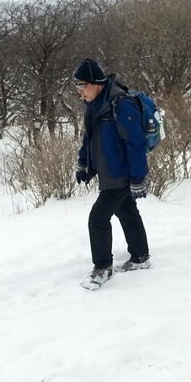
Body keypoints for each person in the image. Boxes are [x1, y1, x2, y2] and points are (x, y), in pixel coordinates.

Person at [73, 58, 151, 289]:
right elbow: (89, 139)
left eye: (82, 86)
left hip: (120, 174)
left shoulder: (121, 104)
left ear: (96, 83)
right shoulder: (95, 106)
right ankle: (140, 256)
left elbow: (135, 143)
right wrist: (83, 164)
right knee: (126, 211)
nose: (80, 92)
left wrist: (138, 177)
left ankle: (102, 268)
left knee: (97, 219)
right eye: (77, 87)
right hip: (109, 173)